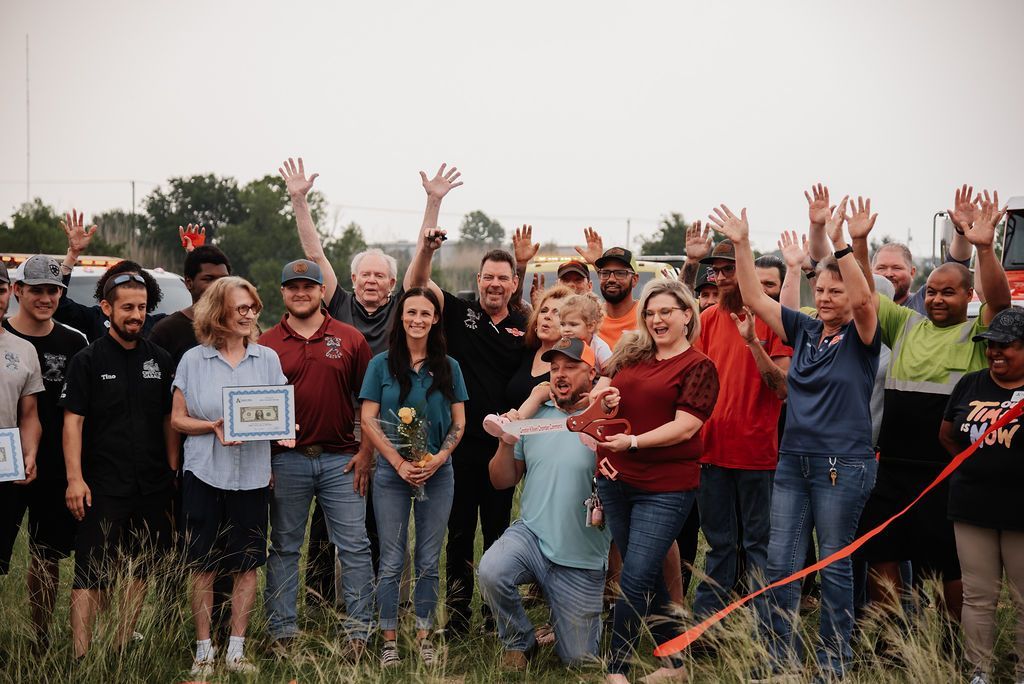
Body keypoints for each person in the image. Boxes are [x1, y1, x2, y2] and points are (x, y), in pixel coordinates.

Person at [708, 200, 879, 679]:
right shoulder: (804, 329)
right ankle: (775, 658)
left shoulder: (864, 335)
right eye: (819, 289)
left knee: (834, 564)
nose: (824, 298)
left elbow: (865, 301)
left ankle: (832, 662)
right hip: (793, 463)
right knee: (781, 565)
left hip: (842, 466)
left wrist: (842, 243)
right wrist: (742, 245)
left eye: (834, 291)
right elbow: (755, 299)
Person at [852, 191, 1010, 622]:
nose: (938, 300)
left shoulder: (978, 333)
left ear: (967, 297)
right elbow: (865, 293)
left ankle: (946, 645)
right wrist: (859, 243)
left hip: (944, 472)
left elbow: (999, 299)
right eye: (934, 292)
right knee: (880, 550)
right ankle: (890, 641)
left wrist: (982, 246)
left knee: (945, 565)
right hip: (894, 470)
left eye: (949, 293)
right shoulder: (905, 324)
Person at [404, 173, 529, 636]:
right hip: (456, 446)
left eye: (503, 278)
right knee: (457, 535)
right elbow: (416, 283)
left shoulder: (525, 325)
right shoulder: (457, 310)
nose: (495, 285)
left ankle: (497, 618)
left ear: (515, 282)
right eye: (488, 278)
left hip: (502, 449)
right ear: (477, 280)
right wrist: (432, 215)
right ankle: (456, 620)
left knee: (498, 537)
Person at [594, 278, 719, 683]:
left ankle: (618, 671)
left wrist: (633, 441)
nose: (656, 319)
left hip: (665, 487)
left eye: (666, 311)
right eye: (650, 313)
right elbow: (605, 393)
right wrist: (608, 398)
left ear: (687, 315)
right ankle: (677, 667)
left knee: (634, 576)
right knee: (644, 573)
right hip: (616, 480)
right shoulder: (633, 353)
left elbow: (685, 428)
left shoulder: (699, 366)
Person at [171, 276, 291, 674]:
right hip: (205, 473)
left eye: (253, 308)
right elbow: (177, 419)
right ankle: (204, 651)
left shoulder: (267, 358)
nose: (249, 315)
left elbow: (279, 413)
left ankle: (236, 650)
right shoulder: (193, 359)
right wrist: (212, 428)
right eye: (241, 308)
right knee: (202, 564)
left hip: (253, 476)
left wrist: (285, 432)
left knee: (247, 563)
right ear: (217, 311)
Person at [259, 260, 375, 660]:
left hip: (341, 459)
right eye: (293, 286)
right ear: (283, 293)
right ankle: (281, 632)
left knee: (355, 547)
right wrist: (265, 460)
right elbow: (256, 410)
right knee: (285, 547)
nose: (301, 292)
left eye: (309, 286)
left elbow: (367, 404)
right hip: (286, 461)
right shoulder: (266, 343)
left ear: (322, 291)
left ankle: (358, 634)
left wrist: (365, 452)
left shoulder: (349, 338)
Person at [59, 269, 176, 658]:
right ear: (106, 308)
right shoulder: (87, 360)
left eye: (142, 308)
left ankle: (122, 646)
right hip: (102, 484)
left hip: (151, 484)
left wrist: (172, 470)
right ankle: (80, 655)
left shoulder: (159, 360)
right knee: (90, 572)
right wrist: (75, 479)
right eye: (127, 307)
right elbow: (72, 422)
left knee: (138, 569)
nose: (136, 315)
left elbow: (167, 420)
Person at [479, 337, 611, 670]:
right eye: (554, 368)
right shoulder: (537, 415)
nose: (560, 374)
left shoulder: (606, 417)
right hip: (532, 537)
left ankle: (565, 620)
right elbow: (502, 480)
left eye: (571, 367)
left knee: (580, 660)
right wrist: (506, 444)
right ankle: (519, 640)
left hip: (581, 557)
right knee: (491, 570)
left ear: (592, 373)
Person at [359, 287, 468, 668]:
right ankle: (389, 636)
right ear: (401, 317)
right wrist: (397, 462)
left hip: (437, 474)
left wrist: (439, 458)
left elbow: (459, 422)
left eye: (425, 314)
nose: (417, 320)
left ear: (435, 318)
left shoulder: (449, 367)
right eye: (411, 313)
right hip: (392, 474)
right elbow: (369, 419)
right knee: (391, 558)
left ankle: (423, 634)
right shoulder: (381, 365)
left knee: (427, 558)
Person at [691, 239, 792, 619]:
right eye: (715, 271)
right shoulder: (708, 319)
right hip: (711, 452)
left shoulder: (771, 318)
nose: (719, 278)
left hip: (755, 454)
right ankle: (707, 628)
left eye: (728, 269)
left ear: (745, 270)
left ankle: (764, 629)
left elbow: (781, 388)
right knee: (719, 546)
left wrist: (752, 342)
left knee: (758, 546)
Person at [0, 255, 84, 651]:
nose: (45, 298)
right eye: (36, 290)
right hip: (7, 465)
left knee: (46, 555)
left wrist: (75, 470)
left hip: (52, 465)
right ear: (17, 291)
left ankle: (40, 637)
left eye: (53, 290)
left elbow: (76, 410)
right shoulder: (3, 334)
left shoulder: (73, 341)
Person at [939, 306, 1024, 684]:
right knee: (978, 595)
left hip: (1022, 511)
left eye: (1007, 345)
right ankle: (980, 671)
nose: (996, 352)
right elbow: (946, 434)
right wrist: (971, 467)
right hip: (971, 507)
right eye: (990, 345)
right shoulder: (970, 384)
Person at [54, 210, 167, 341]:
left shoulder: (158, 325)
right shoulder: (95, 318)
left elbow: (192, 318)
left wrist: (195, 258)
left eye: (136, 283)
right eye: (122, 283)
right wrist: (73, 255)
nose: (130, 286)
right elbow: (59, 304)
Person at [149, 244, 232, 366]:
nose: (218, 286)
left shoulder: (242, 326)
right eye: (209, 279)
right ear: (189, 282)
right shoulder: (166, 332)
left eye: (223, 280)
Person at [507, 285, 572, 408]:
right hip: (510, 425)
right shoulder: (525, 351)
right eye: (543, 310)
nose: (547, 316)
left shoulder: (574, 363)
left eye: (556, 312)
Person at [558, 293, 612, 372]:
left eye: (573, 324)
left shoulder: (599, 347)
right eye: (563, 324)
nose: (566, 329)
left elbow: (610, 372)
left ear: (590, 326)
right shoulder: (561, 345)